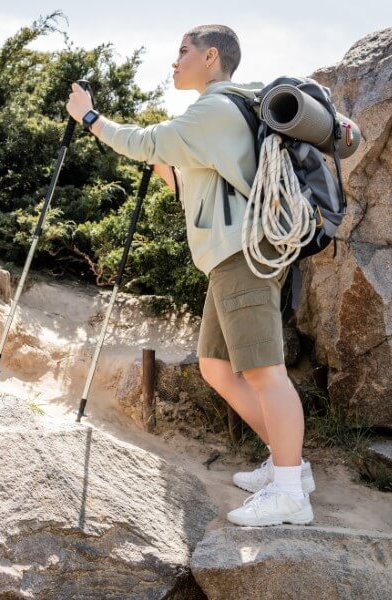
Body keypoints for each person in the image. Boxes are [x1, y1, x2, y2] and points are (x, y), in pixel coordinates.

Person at [65, 24, 314, 527]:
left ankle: (290, 493)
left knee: (266, 373)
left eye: (183, 52)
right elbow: (186, 175)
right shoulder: (225, 113)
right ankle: (292, 467)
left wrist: (88, 116)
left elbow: (144, 140)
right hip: (228, 256)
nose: (174, 62)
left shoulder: (216, 108)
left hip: (243, 253)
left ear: (211, 57)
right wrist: (163, 159)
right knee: (215, 367)